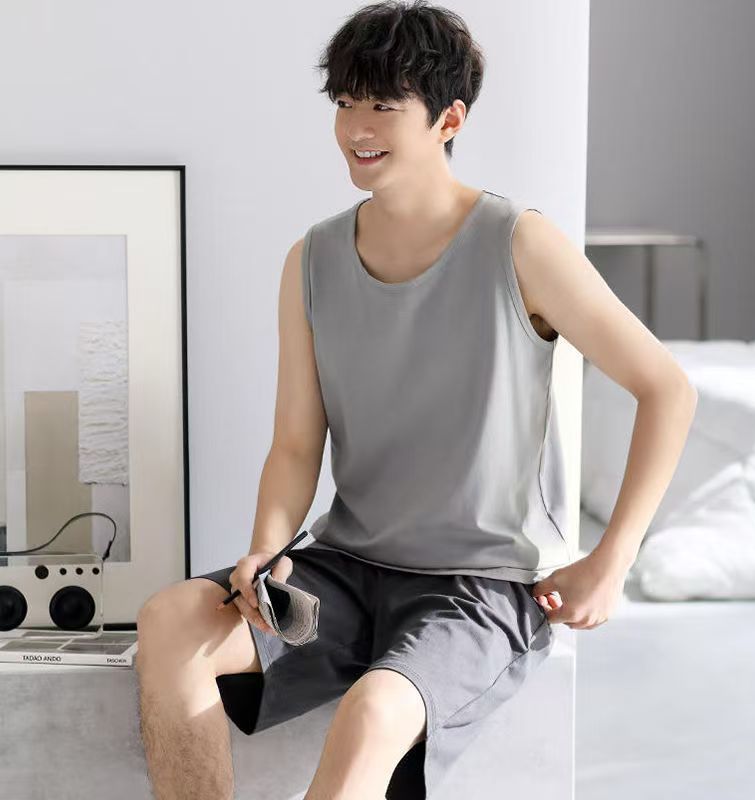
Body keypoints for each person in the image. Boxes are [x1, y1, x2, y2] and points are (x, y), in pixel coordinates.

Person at [135, 2, 698, 798]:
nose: (356, 128)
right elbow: (296, 443)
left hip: (478, 588)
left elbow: (666, 388)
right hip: (344, 569)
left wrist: (614, 560)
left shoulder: (519, 244)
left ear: (449, 119)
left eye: (382, 105)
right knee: (170, 621)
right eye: (345, 103)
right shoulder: (312, 259)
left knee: (373, 714)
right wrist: (264, 548)